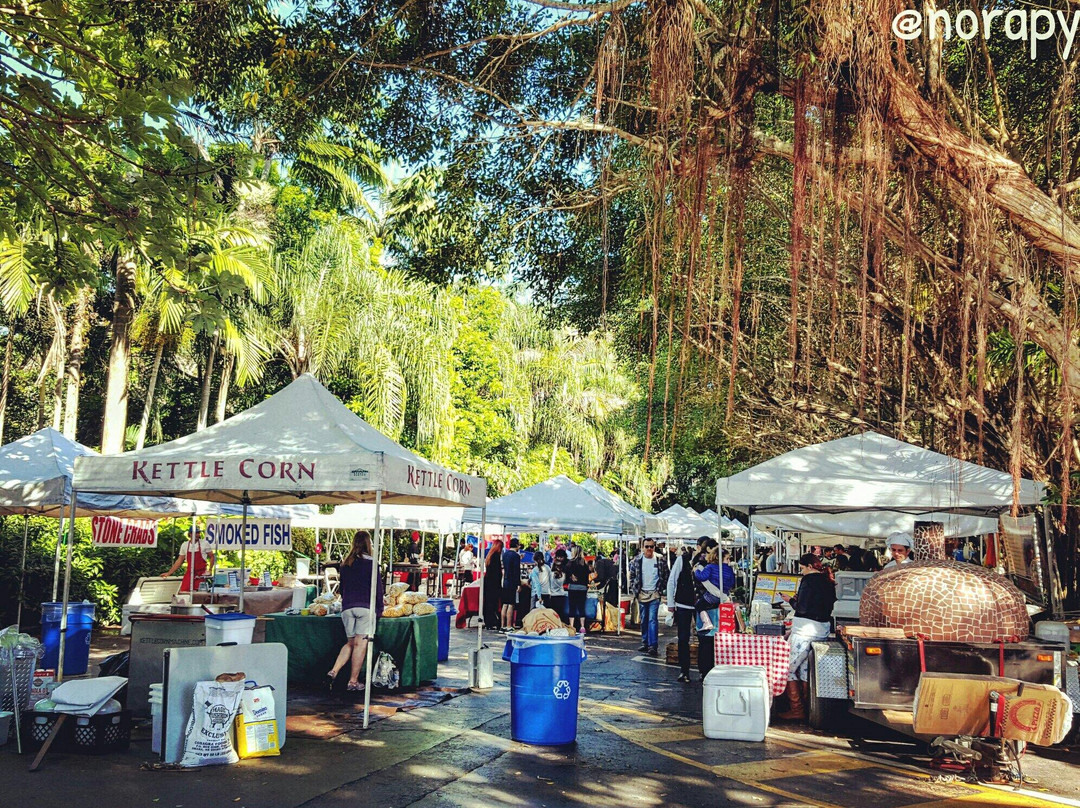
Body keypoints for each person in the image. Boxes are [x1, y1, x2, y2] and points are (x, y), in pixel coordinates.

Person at [776, 552, 836, 720]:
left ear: (809, 567)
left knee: (787, 669)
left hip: (804, 631)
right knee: (805, 671)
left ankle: (797, 709)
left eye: (802, 568)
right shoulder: (827, 580)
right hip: (822, 630)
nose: (801, 572)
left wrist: (790, 600)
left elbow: (801, 607)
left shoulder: (808, 580)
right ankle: (809, 710)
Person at [328, 531, 384, 692]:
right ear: (368, 544)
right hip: (365, 608)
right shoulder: (372, 563)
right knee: (360, 644)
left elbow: (342, 589)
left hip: (347, 608)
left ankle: (334, 671)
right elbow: (377, 590)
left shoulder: (346, 564)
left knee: (350, 643)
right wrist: (380, 609)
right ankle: (353, 681)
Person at [629, 539, 669, 656]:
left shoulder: (660, 560)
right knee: (644, 619)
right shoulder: (636, 560)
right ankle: (645, 642)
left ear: (654, 547)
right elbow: (631, 576)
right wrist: (635, 589)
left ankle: (653, 645)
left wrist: (660, 589)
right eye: (647, 547)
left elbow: (666, 575)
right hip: (641, 593)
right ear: (642, 547)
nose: (649, 549)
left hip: (655, 594)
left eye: (651, 546)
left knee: (652, 619)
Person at [666, 545, 698, 683]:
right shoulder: (682, 559)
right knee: (683, 638)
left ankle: (704, 671)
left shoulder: (706, 561)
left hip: (701, 605)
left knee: (703, 638)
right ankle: (684, 671)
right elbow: (672, 581)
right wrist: (671, 604)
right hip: (683, 603)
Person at [162, 525, 214, 592]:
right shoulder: (185, 545)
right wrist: (169, 573)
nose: (197, 535)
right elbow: (179, 560)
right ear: (190, 534)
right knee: (184, 591)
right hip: (189, 573)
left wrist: (210, 570)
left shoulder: (204, 543)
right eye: (195, 533)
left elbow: (212, 556)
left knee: (199, 593)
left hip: (201, 574)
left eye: (198, 533)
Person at [565, 544, 590, 634]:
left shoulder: (570, 563)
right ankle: (582, 627)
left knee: (572, 607)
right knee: (581, 607)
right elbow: (587, 578)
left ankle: (572, 626)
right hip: (583, 588)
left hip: (572, 587)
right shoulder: (585, 563)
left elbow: (566, 576)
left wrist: (571, 578)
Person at [500, 538, 522, 629]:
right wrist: (518, 584)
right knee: (511, 604)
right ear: (516, 545)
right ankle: (509, 625)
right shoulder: (516, 556)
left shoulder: (505, 554)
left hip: (505, 581)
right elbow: (517, 571)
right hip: (512, 582)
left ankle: (502, 625)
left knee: (504, 604)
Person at [482, 539, 504, 630]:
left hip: (488, 581)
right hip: (493, 583)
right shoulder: (496, 556)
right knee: (493, 603)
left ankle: (488, 622)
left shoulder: (490, 556)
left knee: (488, 602)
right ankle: (492, 621)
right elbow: (497, 572)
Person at [548, 548, 568, 618]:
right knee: (560, 613)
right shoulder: (563, 575)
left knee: (553, 614)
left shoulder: (551, 574)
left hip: (553, 595)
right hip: (561, 594)